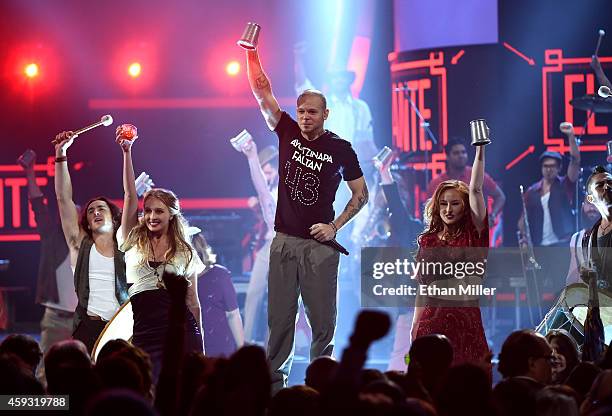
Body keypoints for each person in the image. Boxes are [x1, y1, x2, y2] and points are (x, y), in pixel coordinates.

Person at [244, 43, 368, 393]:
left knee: (322, 324)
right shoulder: (285, 130)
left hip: (319, 247)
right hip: (283, 241)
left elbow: (362, 194)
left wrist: (335, 227)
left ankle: (322, 390)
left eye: (312, 111)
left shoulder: (341, 148)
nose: (305, 116)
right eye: (301, 110)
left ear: (325, 114)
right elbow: (261, 90)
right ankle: (274, 392)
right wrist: (251, 53)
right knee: (280, 321)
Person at [115, 125, 205, 381]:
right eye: (149, 210)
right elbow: (129, 194)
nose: (152, 216)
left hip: (181, 331)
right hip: (144, 330)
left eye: (159, 211)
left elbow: (193, 303)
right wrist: (127, 152)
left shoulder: (185, 252)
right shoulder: (132, 239)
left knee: (183, 391)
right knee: (149, 387)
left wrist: (202, 350)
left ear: (171, 215)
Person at [411, 142, 489, 366]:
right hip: (430, 323)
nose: (448, 209)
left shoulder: (474, 235)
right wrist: (415, 326)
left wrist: (480, 150)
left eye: (455, 203)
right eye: (443, 203)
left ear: (465, 207)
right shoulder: (428, 240)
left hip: (465, 322)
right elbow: (422, 287)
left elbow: (475, 189)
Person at [53, 131, 128, 354]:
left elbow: (131, 198)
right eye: (90, 211)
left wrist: (127, 152)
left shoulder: (127, 245)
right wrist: (61, 154)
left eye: (101, 208)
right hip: (88, 329)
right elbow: (63, 198)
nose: (95, 212)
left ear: (114, 217)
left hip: (122, 329)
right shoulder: (79, 244)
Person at [17, 150, 77, 378]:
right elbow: (37, 204)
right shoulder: (52, 236)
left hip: (85, 319)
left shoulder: (94, 244)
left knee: (88, 369)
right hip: (55, 318)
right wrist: (29, 173)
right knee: (44, 373)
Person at [375, 154, 423, 371]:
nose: (446, 210)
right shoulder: (412, 228)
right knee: (402, 357)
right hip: (411, 307)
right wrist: (385, 173)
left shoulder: (451, 237)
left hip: (442, 309)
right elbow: (394, 204)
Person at [426, 138, 505, 246]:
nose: (461, 155)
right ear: (447, 157)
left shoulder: (477, 175)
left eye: (463, 152)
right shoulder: (437, 183)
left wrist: (492, 216)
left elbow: (500, 196)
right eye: (456, 153)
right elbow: (430, 212)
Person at [240, 141, 278, 344]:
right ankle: (245, 342)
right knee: (254, 293)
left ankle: (272, 345)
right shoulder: (270, 187)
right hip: (268, 246)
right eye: (264, 171)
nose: (267, 175)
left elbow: (265, 195)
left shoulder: (284, 188)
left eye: (269, 171)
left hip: (284, 246)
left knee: (276, 299)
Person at [193, 232, 244, 357]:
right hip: (192, 353)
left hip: (220, 352)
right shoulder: (177, 282)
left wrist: (242, 351)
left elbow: (233, 314)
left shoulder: (219, 275)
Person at [566, 199, 599, 285]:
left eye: (596, 203)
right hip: (584, 294)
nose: (592, 208)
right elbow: (573, 274)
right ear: (583, 205)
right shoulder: (576, 238)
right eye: (589, 203)